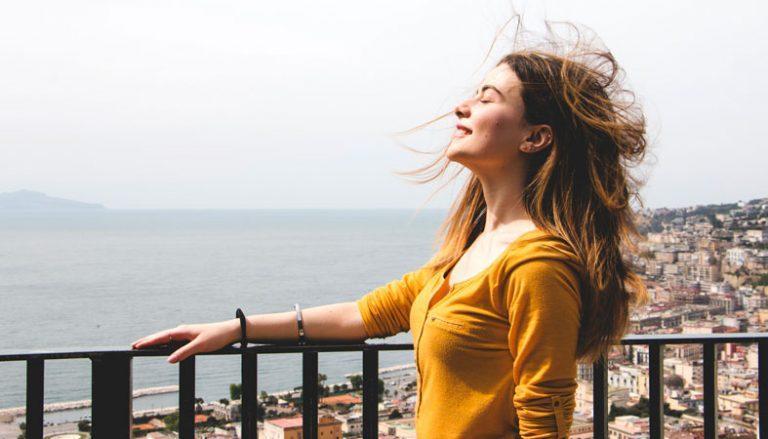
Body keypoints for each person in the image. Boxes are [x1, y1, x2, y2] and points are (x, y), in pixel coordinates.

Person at [132, 17, 650, 438]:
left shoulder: (537, 263)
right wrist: (234, 329)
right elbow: (363, 315)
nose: (462, 106)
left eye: (488, 98)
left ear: (535, 137)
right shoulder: (468, 254)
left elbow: (545, 416)